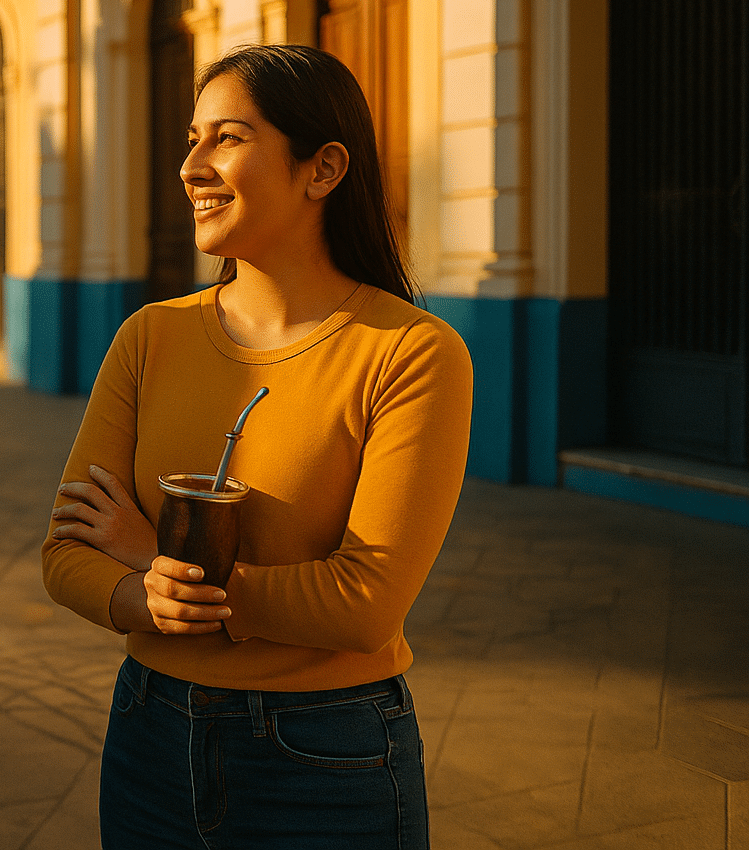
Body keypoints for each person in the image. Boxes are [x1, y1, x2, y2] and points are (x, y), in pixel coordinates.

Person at [42, 44, 473, 848]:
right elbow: (66, 553)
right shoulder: (149, 337)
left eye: (228, 138)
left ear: (323, 168)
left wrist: (154, 558)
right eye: (192, 140)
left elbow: (365, 605)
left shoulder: (411, 352)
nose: (190, 167)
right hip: (148, 734)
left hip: (327, 754)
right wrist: (146, 595)